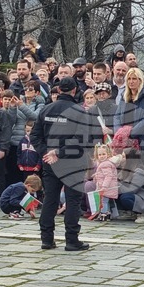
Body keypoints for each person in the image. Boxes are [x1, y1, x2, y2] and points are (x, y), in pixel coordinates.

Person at [30, 78, 91, 251]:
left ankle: (47, 239)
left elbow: (35, 135)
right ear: (74, 90)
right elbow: (81, 139)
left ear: (58, 89)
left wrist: (47, 152)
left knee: (50, 199)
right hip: (73, 162)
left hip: (51, 162)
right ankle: (72, 240)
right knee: (73, 201)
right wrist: (58, 152)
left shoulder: (46, 109)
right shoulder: (80, 112)